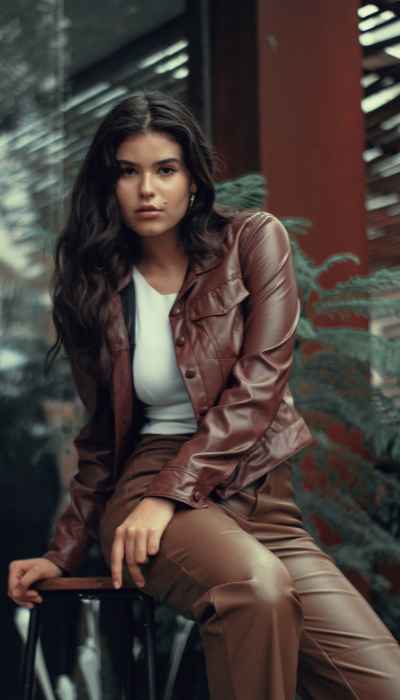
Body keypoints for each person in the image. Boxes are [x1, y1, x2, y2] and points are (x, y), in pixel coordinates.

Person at [8, 91, 400, 700]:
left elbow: (259, 389)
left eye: (165, 169)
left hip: (259, 497)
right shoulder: (92, 287)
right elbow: (99, 440)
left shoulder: (252, 242)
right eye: (127, 172)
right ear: (107, 184)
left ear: (193, 176)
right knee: (256, 590)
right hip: (149, 493)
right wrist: (65, 550)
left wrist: (175, 494)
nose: (147, 190)